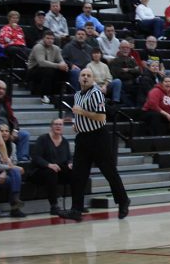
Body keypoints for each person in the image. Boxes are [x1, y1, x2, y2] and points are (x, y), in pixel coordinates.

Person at [58, 68, 130, 222]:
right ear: (78, 79)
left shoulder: (96, 93)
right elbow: (80, 115)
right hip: (82, 138)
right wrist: (77, 123)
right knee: (78, 175)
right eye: (82, 75)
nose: (85, 77)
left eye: (88, 75)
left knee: (109, 172)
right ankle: (76, 210)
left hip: (99, 137)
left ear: (93, 79)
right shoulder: (77, 95)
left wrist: (82, 113)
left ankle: (123, 200)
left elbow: (101, 117)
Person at [31, 118, 72, 215]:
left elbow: (68, 158)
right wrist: (49, 165)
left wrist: (70, 163)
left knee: (76, 172)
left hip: (58, 171)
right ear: (51, 126)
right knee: (51, 172)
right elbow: (36, 157)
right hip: (40, 171)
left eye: (60, 124)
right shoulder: (43, 139)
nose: (58, 126)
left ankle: (77, 205)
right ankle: (54, 205)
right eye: (56, 124)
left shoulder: (65, 141)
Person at [0, 80, 31, 161]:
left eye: (3, 89)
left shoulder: (6, 102)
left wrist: (15, 130)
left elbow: (13, 119)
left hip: (7, 130)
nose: (1, 91)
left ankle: (23, 158)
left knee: (24, 135)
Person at [27, 31, 69, 104]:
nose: (50, 40)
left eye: (52, 39)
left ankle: (58, 94)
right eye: (48, 38)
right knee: (48, 71)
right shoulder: (38, 46)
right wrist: (58, 66)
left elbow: (61, 60)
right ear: (43, 38)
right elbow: (41, 62)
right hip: (33, 70)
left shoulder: (56, 48)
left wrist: (64, 66)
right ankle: (44, 95)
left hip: (48, 69)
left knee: (64, 71)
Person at [0, 134, 26, 218]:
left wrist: (5, 171)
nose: (4, 133)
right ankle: (15, 207)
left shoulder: (12, 145)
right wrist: (10, 167)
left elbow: (14, 161)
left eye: (6, 131)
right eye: (2, 131)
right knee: (16, 174)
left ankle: (15, 201)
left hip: (7, 172)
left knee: (15, 173)